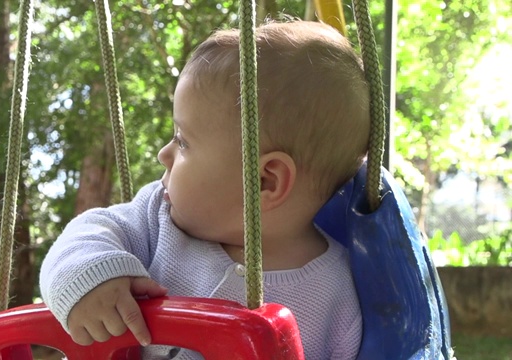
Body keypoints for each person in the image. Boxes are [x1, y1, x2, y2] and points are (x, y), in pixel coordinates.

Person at [40, 20, 370, 360]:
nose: (163, 154)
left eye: (182, 142)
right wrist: (93, 276)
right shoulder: (156, 218)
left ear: (264, 182)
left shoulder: (336, 293)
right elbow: (86, 232)